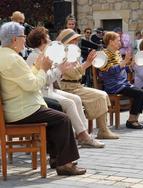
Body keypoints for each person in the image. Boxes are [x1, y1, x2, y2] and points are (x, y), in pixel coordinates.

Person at [0, 21, 86, 175]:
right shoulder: (13, 59)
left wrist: (37, 67)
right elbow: (33, 85)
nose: (25, 39)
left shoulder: (6, 55)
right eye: (22, 36)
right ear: (14, 39)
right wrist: (44, 68)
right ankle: (65, 164)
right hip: (23, 109)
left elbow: (27, 79)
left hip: (18, 106)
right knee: (63, 119)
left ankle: (56, 158)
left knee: (57, 110)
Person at [26, 26, 104, 148]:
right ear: (42, 40)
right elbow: (44, 79)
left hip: (50, 89)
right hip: (41, 92)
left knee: (76, 99)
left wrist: (61, 70)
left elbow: (53, 77)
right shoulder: (34, 56)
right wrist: (60, 70)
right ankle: (83, 136)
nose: (50, 40)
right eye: (47, 38)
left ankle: (83, 135)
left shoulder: (46, 54)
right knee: (69, 103)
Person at [57, 29, 119, 139]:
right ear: (67, 41)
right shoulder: (61, 55)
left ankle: (103, 130)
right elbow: (71, 74)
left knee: (103, 94)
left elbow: (78, 73)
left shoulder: (72, 53)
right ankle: (102, 130)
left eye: (76, 39)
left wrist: (86, 64)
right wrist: (87, 63)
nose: (76, 42)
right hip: (67, 88)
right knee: (100, 96)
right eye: (73, 40)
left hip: (77, 86)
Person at [98, 31, 143, 129]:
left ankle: (134, 119)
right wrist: (124, 63)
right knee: (140, 93)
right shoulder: (103, 55)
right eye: (118, 40)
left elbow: (123, 69)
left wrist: (131, 65)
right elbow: (107, 72)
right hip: (113, 85)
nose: (120, 42)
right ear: (111, 41)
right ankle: (131, 121)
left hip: (123, 83)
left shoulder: (117, 53)